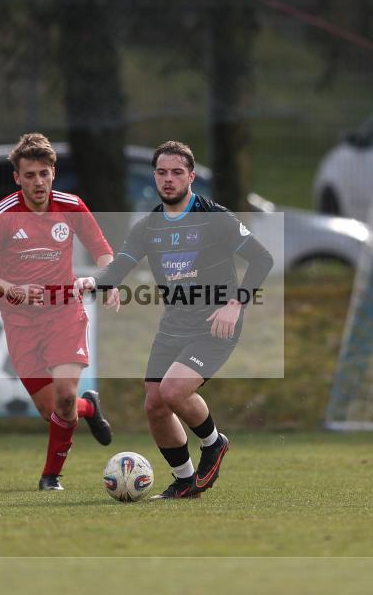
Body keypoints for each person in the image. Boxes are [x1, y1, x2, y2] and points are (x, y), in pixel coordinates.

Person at [76, 140, 273, 499]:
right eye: (162, 172)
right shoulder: (148, 226)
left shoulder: (215, 218)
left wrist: (235, 305)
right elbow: (120, 266)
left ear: (191, 177)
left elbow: (262, 260)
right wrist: (94, 281)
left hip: (215, 323)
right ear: (154, 176)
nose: (168, 179)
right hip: (174, 324)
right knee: (155, 404)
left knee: (173, 391)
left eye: (177, 172)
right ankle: (184, 480)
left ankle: (213, 443)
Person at [0, 133, 118, 491]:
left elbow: (103, 252)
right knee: (54, 412)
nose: (38, 182)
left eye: (44, 174)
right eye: (30, 175)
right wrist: (13, 289)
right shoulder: (3, 215)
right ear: (17, 178)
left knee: (64, 397)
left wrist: (108, 282)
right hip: (20, 321)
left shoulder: (71, 206)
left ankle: (51, 476)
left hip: (65, 311)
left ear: (53, 174)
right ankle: (88, 408)